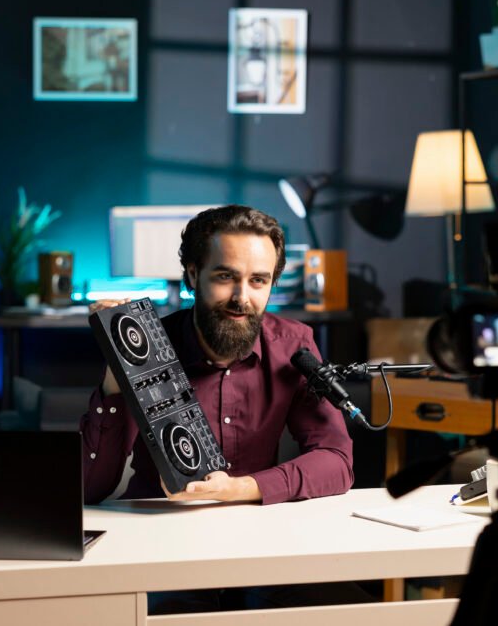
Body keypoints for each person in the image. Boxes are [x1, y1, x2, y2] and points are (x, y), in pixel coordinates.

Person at [81, 204, 371, 612]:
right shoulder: (146, 346)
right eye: (225, 277)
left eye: (258, 281)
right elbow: (90, 488)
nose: (242, 298)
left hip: (258, 545)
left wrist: (239, 489)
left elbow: (337, 461)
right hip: (158, 545)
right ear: (193, 274)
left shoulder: (294, 345)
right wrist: (116, 376)